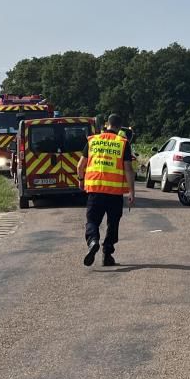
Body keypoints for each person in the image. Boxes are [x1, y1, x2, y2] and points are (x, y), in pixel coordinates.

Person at [78, 113, 136, 267]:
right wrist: (132, 192)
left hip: (95, 190)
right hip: (114, 193)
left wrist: (81, 180)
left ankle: (93, 241)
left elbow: (80, 166)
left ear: (106, 124)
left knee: (92, 221)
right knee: (113, 223)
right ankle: (107, 255)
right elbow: (128, 169)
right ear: (119, 126)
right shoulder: (123, 143)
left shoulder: (93, 140)